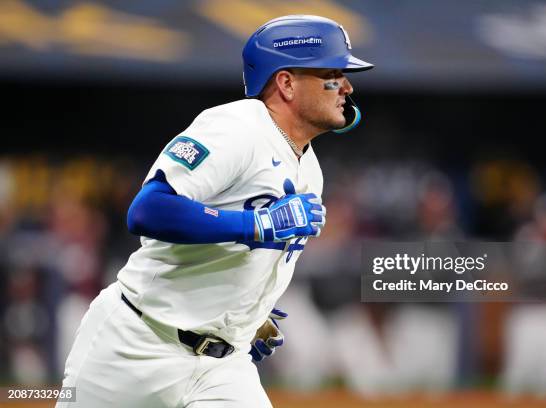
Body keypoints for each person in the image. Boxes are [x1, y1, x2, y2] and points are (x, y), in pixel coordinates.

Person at [56, 15, 373, 408]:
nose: (347, 86)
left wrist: (245, 314)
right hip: (137, 344)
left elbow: (250, 252)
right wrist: (255, 224)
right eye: (332, 73)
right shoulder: (235, 127)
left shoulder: (310, 169)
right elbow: (148, 209)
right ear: (286, 83)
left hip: (223, 367)